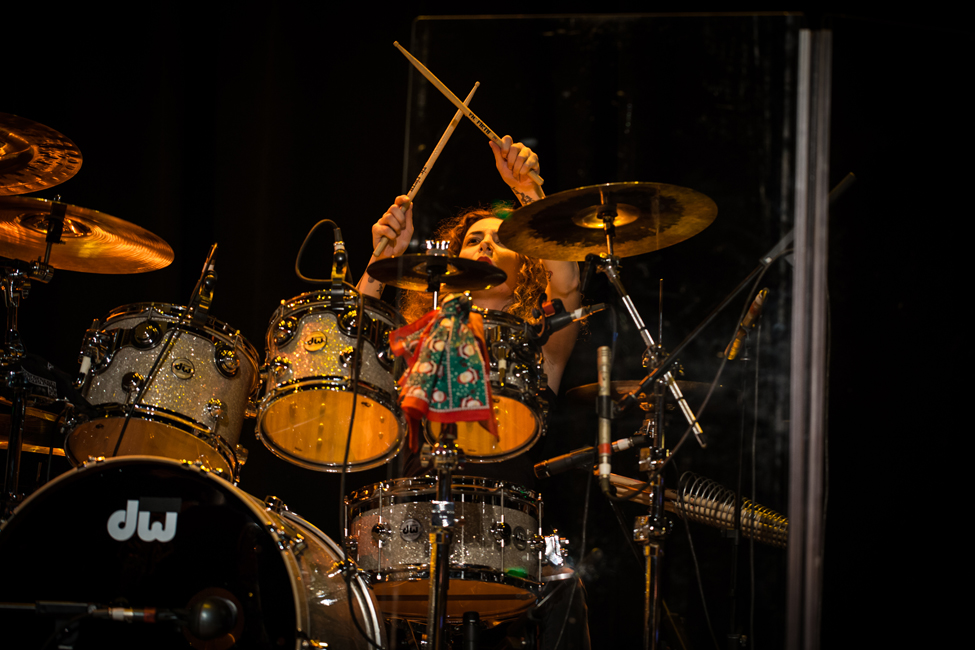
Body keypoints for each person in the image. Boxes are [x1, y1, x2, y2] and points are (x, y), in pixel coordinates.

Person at [357, 137, 590, 649]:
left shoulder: (539, 341)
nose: (484, 245)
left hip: (506, 547)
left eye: (501, 239)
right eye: (473, 239)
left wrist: (530, 195)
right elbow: (351, 349)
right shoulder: (415, 340)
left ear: (527, 263)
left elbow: (568, 285)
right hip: (409, 535)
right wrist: (379, 262)